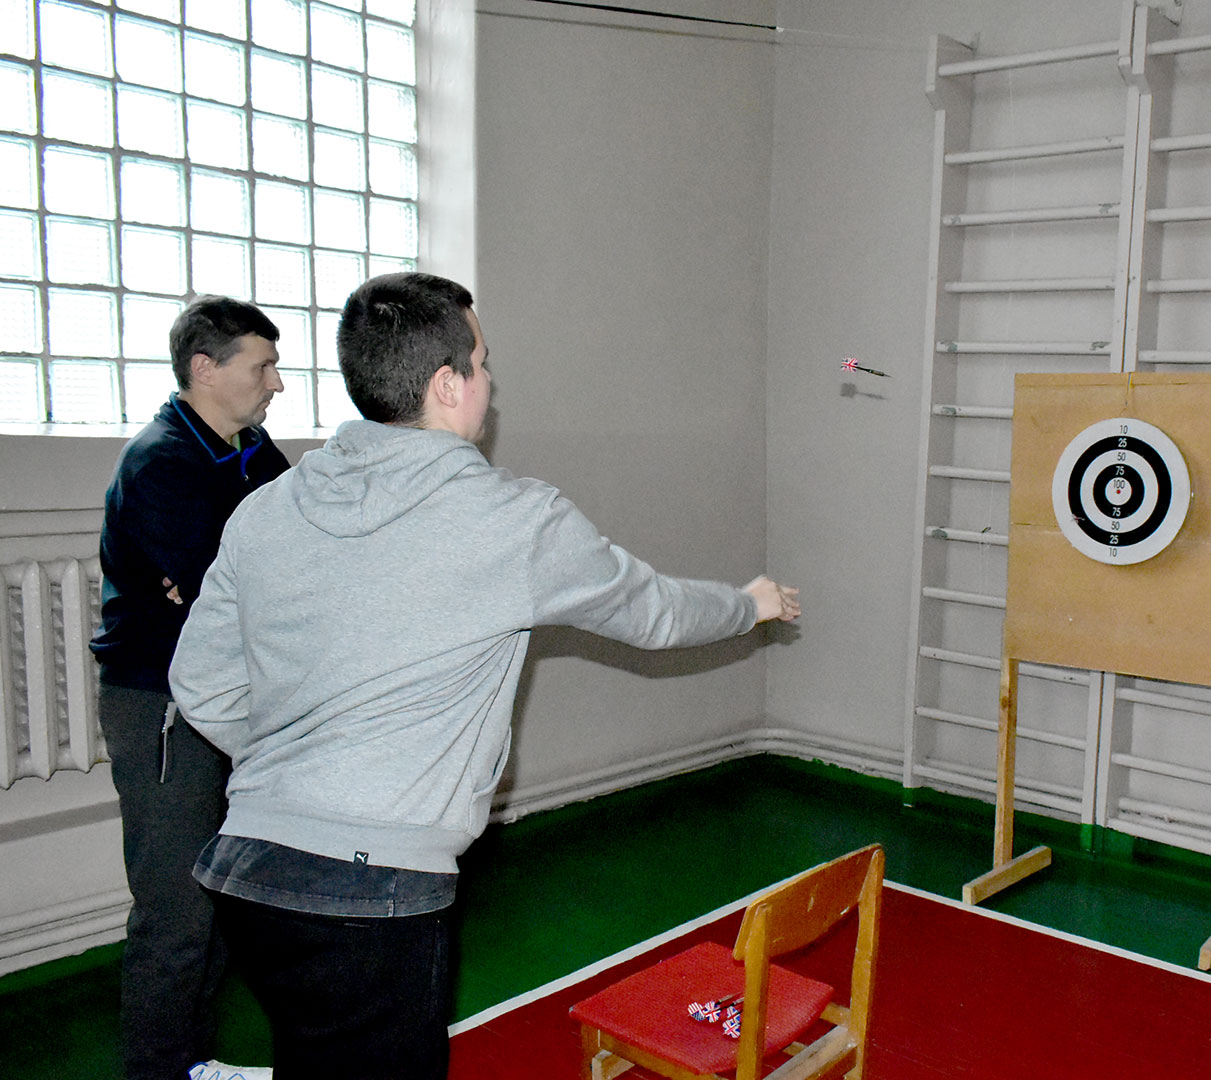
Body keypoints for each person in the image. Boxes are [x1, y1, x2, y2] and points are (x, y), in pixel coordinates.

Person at [169, 272, 800, 1080]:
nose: (491, 381)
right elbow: (654, 613)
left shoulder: (266, 508)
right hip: (375, 894)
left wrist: (293, 769)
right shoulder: (515, 520)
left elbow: (202, 683)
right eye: (484, 361)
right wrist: (747, 605)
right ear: (447, 384)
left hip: (248, 874)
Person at [90, 296, 289, 1080]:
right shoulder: (162, 463)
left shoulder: (250, 451)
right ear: (205, 368)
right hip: (162, 709)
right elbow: (220, 595)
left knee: (223, 901)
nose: (276, 384)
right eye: (262, 367)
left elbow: (296, 556)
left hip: (229, 698)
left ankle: (193, 1063)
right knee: (178, 913)